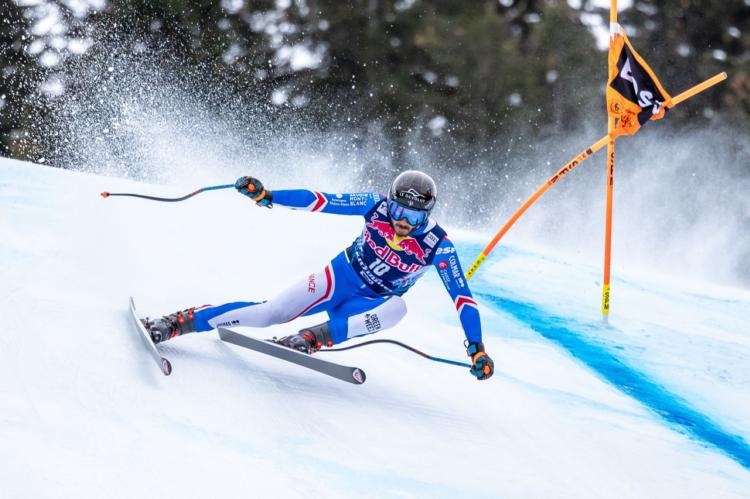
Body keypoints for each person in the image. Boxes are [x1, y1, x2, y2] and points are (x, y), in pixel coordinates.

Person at [143, 170, 494, 380]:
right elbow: (321, 200)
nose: (403, 221)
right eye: (399, 210)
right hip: (338, 278)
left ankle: (312, 338)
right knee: (269, 313)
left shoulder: (438, 245)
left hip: (367, 304)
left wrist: (476, 349)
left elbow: (462, 299)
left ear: (427, 215)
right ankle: (178, 321)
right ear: (390, 201)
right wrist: (268, 196)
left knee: (397, 310)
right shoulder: (374, 205)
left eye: (414, 217)